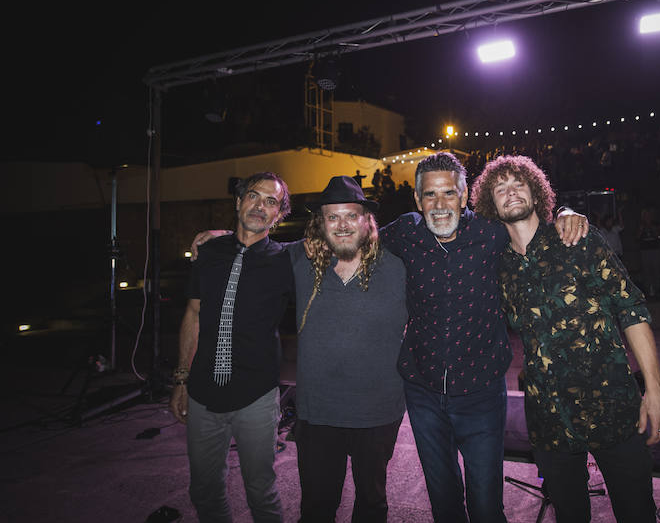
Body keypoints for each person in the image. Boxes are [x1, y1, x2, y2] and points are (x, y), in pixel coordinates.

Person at [192, 152, 588, 523]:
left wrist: (565, 213)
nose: (439, 203)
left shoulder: (471, 238)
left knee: (473, 505)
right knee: (423, 501)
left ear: (464, 193)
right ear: (417, 199)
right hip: (390, 400)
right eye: (429, 194)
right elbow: (274, 244)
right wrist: (228, 235)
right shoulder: (357, 245)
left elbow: (526, 223)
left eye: (448, 192)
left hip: (459, 396)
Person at [470, 155, 660, 523]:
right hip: (550, 421)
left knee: (637, 513)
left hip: (613, 407)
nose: (511, 192)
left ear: (536, 192)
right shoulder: (497, 267)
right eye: (500, 188)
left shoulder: (577, 239)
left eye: (518, 184)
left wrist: (655, 391)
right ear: (490, 204)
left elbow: (631, 308)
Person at [169, 172, 294, 523]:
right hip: (202, 391)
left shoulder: (286, 260)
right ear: (238, 202)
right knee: (204, 490)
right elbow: (193, 314)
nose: (260, 206)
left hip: (256, 394)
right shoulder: (208, 253)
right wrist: (181, 378)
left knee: (261, 490)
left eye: (271, 202)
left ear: (278, 215)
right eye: (253, 196)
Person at [289, 176, 408, 523]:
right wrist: (222, 237)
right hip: (317, 412)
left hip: (378, 412)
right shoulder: (300, 260)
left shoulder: (398, 265)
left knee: (372, 504)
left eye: (351, 215)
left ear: (367, 220)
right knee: (316, 508)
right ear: (320, 223)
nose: (342, 225)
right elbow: (256, 249)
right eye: (333, 217)